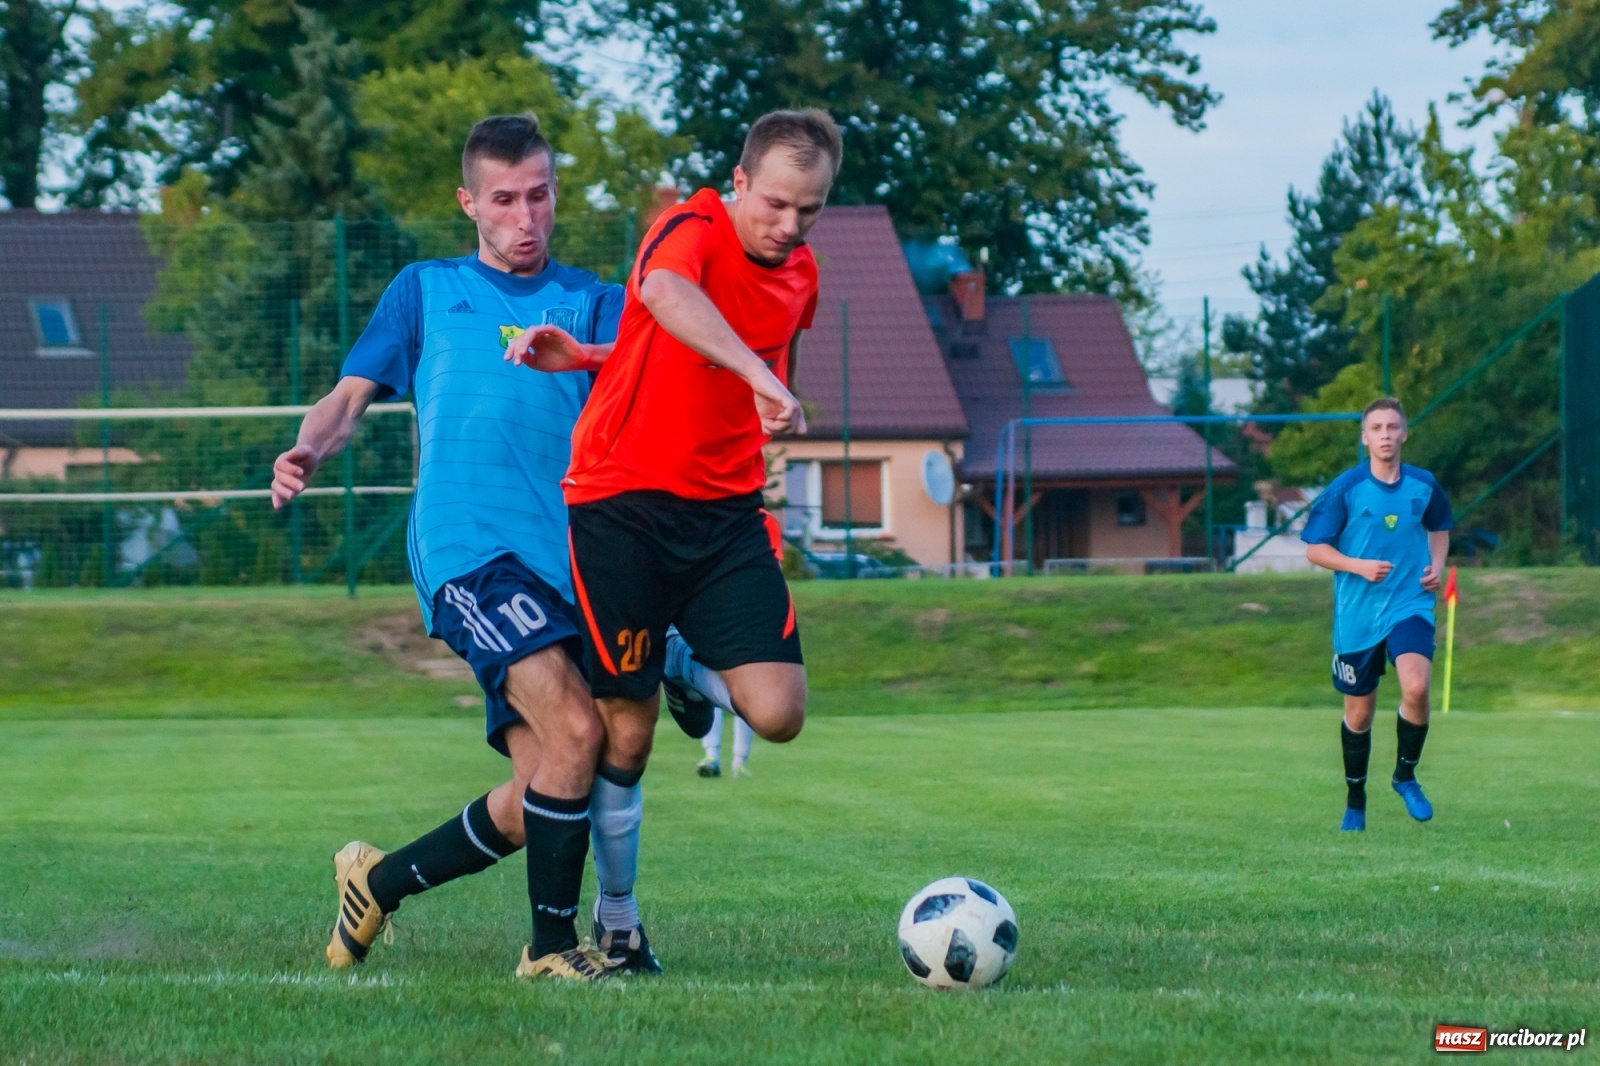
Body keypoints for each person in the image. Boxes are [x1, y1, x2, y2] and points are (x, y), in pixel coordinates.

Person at [270, 113, 656, 982]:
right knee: (575, 726)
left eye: (541, 195)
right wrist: (307, 450)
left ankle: (378, 880)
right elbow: (346, 398)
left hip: (567, 567)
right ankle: (551, 951)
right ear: (470, 204)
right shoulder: (426, 290)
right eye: (506, 200)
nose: (527, 217)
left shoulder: (594, 303)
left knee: (544, 788)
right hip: (468, 552)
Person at [505, 109, 840, 808]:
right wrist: (762, 378)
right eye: (775, 203)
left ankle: (684, 668)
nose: (789, 224)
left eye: (809, 209)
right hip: (625, 498)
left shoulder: (803, 275)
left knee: (781, 714)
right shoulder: (691, 225)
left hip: (726, 510)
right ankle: (616, 912)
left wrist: (775, 396)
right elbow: (663, 295)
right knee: (625, 730)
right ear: (740, 181)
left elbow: (747, 364)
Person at [1303, 397, 1453, 833]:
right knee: (1360, 715)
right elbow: (1314, 548)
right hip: (1358, 616)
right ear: (1365, 437)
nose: (1385, 435)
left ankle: (1405, 776)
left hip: (1410, 604)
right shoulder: (1346, 488)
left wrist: (1437, 568)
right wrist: (1358, 566)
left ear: (1405, 433)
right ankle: (1355, 799)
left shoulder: (1424, 485)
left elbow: (1440, 526)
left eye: (1393, 427)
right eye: (1377, 428)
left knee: (1417, 686)